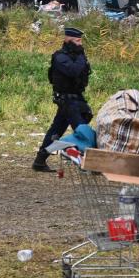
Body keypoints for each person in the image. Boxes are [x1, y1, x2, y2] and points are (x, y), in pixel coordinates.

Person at [33, 26, 92, 172]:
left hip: (76, 98)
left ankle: (40, 160)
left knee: (57, 130)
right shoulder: (60, 57)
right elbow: (73, 71)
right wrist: (80, 57)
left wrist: (80, 57)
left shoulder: (77, 56)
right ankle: (87, 162)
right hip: (66, 100)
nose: (80, 44)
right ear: (69, 40)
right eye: (77, 41)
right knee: (82, 129)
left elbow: (83, 72)